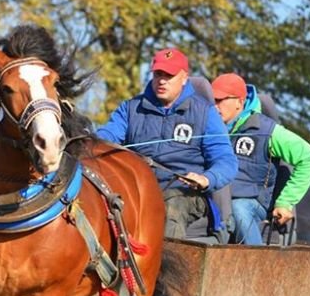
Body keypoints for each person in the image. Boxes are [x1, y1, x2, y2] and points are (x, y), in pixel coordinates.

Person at [97, 48, 238, 238]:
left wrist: (206, 179)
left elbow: (226, 161)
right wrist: (90, 142)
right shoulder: (130, 109)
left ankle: (167, 267)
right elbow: (106, 138)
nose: (162, 80)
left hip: (185, 194)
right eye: (158, 74)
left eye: (169, 75)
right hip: (138, 188)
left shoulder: (205, 112)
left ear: (184, 78)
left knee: (170, 206)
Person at [211, 73, 310, 245]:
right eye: (212, 100)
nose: (214, 106)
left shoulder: (267, 131)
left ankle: (258, 263)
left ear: (240, 101)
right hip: (215, 197)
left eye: (220, 100)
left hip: (252, 202)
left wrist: (285, 201)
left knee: (239, 208)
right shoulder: (209, 127)